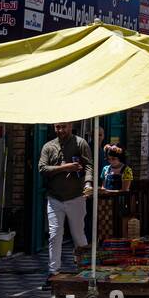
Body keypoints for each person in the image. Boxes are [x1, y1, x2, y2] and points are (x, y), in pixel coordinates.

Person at [40, 121, 93, 283]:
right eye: (58, 127)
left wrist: (88, 183)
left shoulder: (80, 143)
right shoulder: (48, 147)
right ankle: (53, 271)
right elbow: (42, 168)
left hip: (76, 196)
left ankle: (86, 268)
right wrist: (64, 168)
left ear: (70, 126)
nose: (61, 130)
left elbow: (89, 165)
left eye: (64, 126)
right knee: (55, 235)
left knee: (78, 234)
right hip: (54, 197)